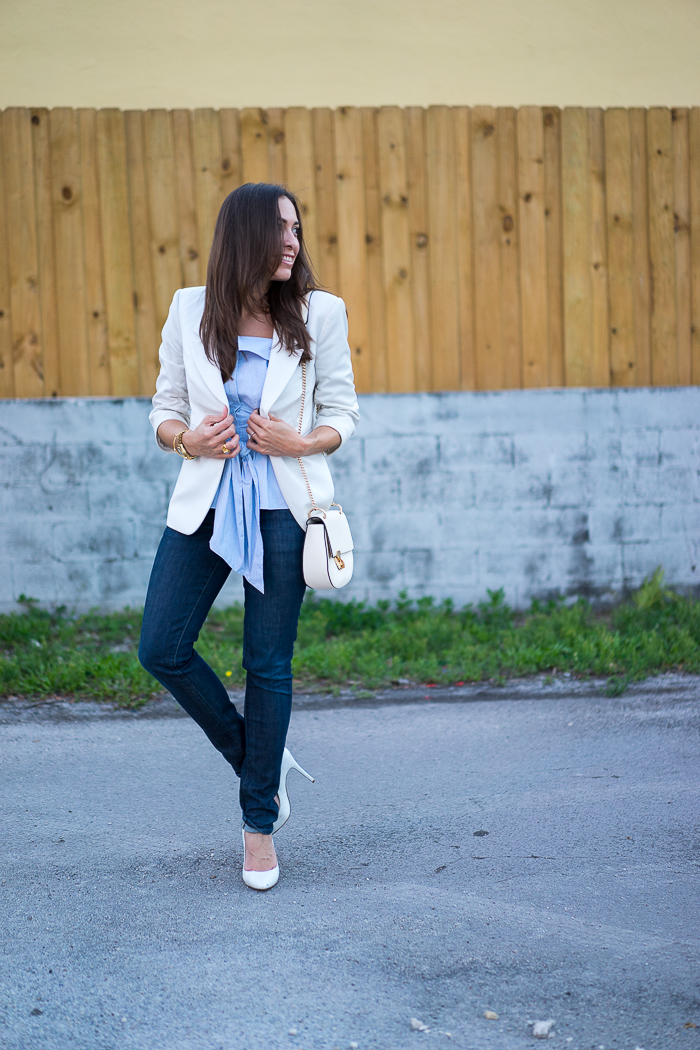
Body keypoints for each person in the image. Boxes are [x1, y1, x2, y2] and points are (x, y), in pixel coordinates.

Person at [138, 182, 360, 890]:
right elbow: (165, 407)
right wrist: (187, 441)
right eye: (279, 230)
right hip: (206, 504)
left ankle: (258, 828)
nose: (293, 241)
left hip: (284, 511)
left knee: (267, 665)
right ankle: (261, 761)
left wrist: (299, 442)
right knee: (161, 647)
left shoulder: (320, 313)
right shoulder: (189, 309)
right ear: (244, 238)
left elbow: (344, 413)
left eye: (297, 228)